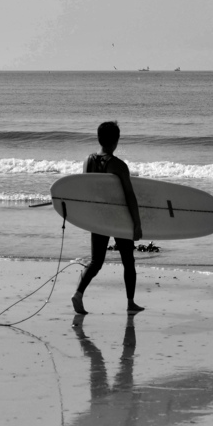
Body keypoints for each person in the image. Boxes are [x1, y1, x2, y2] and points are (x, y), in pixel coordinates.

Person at [72, 121, 144, 321]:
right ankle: (130, 303)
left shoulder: (88, 161)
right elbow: (130, 196)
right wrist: (137, 224)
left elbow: (88, 190)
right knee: (128, 262)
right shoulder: (119, 165)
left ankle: (77, 293)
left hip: (98, 217)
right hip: (118, 218)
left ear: (99, 138)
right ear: (116, 140)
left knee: (96, 261)